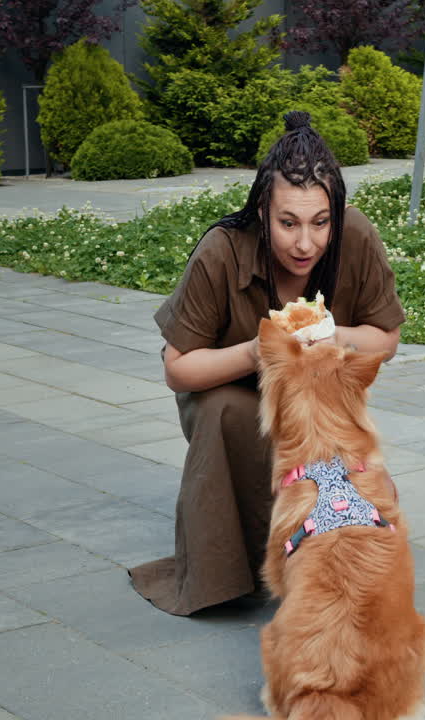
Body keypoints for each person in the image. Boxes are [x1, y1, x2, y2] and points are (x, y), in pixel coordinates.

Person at [128, 111, 405, 616]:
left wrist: (332, 334)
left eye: (321, 223)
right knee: (222, 411)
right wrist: (256, 353)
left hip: (317, 402)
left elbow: (385, 337)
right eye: (288, 223)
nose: (305, 243)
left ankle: (330, 545)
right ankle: (224, 572)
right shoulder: (221, 251)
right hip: (232, 396)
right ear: (262, 211)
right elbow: (178, 368)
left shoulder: (357, 236)